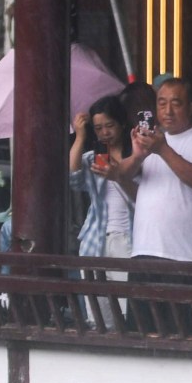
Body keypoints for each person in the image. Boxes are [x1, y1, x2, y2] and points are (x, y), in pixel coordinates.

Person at [122, 78, 192, 267]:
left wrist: (162, 149)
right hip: (143, 249)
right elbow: (121, 177)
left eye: (176, 104)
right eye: (162, 104)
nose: (167, 111)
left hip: (184, 253)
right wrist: (136, 156)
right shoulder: (150, 140)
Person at [70, 96, 135, 261]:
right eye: (98, 128)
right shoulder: (94, 158)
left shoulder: (137, 156)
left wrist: (118, 176)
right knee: (91, 287)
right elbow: (74, 179)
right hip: (95, 238)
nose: (105, 133)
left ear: (122, 123)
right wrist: (79, 137)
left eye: (110, 125)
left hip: (129, 238)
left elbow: (143, 197)